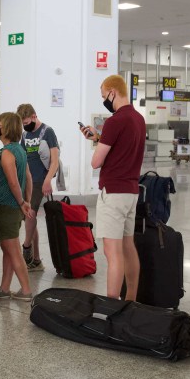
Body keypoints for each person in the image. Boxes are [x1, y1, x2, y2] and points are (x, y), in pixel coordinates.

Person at [79, 75, 146, 300]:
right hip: (131, 192)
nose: (104, 100)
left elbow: (96, 162)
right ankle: (131, 300)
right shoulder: (138, 118)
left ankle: (111, 304)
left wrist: (100, 141)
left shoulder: (115, 121)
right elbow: (122, 148)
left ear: (112, 92)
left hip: (113, 192)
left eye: (103, 96)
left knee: (113, 252)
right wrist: (98, 137)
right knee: (128, 247)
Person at [0, 112, 36, 302]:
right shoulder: (20, 150)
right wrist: (27, 200)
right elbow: (29, 178)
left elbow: (14, 182)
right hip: (15, 207)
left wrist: (22, 202)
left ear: (6, 129)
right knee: (8, 248)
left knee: (13, 250)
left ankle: (25, 290)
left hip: (6, 206)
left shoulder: (7, 154)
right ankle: (5, 288)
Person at [16, 103, 60, 272]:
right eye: (23, 124)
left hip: (40, 180)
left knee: (30, 213)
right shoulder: (25, 134)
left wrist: (48, 180)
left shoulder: (47, 132)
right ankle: (36, 260)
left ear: (34, 116)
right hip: (27, 180)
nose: (26, 126)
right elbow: (22, 157)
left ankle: (26, 247)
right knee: (29, 216)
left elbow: (54, 160)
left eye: (27, 122)